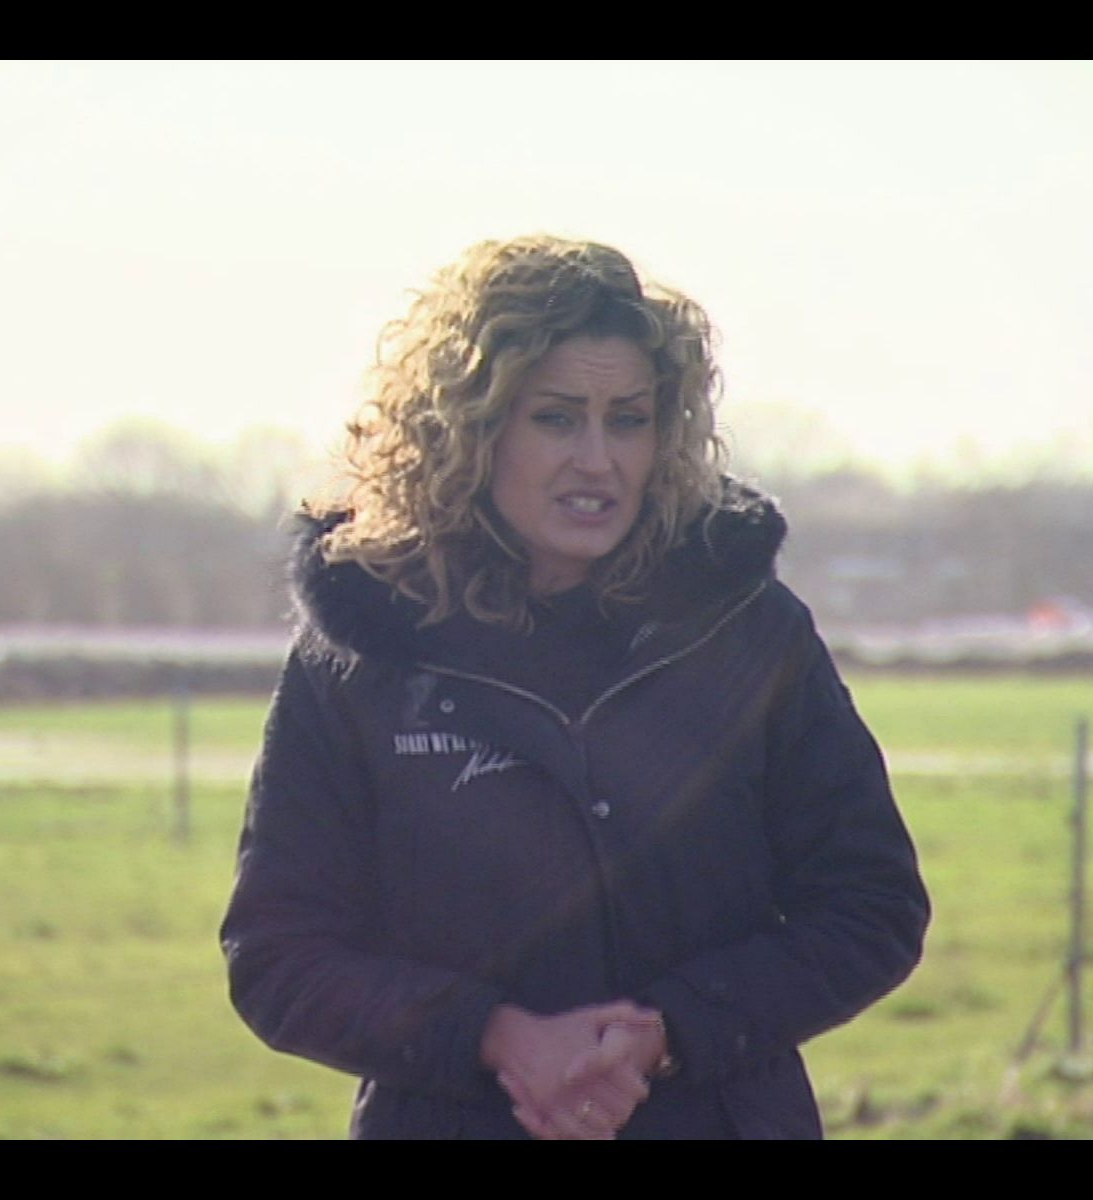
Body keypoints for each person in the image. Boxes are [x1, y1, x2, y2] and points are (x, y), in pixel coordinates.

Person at [220, 235, 930, 1139]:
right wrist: (492, 1038)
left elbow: (872, 906)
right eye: (556, 419)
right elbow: (278, 957)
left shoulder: (747, 630)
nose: (598, 460)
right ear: (469, 431)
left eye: (628, 420)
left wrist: (669, 1033)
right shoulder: (364, 654)